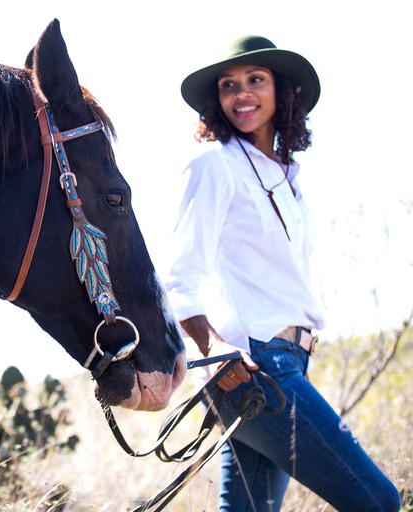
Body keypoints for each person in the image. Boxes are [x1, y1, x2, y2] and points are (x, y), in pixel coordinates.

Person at [164, 35, 401, 511]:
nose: (242, 93)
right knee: (378, 501)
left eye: (256, 80)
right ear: (217, 100)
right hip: (252, 366)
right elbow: (176, 277)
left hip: (291, 359)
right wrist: (215, 348)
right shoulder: (216, 166)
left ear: (282, 92)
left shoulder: (289, 178)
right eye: (229, 85)